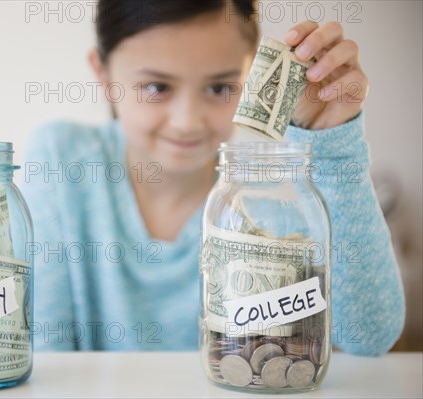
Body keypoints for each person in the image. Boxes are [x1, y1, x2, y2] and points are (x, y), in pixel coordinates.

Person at [21, 0, 405, 355]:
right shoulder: (61, 160)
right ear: (103, 74)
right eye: (156, 87)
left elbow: (370, 335)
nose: (187, 122)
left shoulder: (273, 187)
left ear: (253, 72)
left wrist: (332, 144)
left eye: (219, 87)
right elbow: (46, 353)